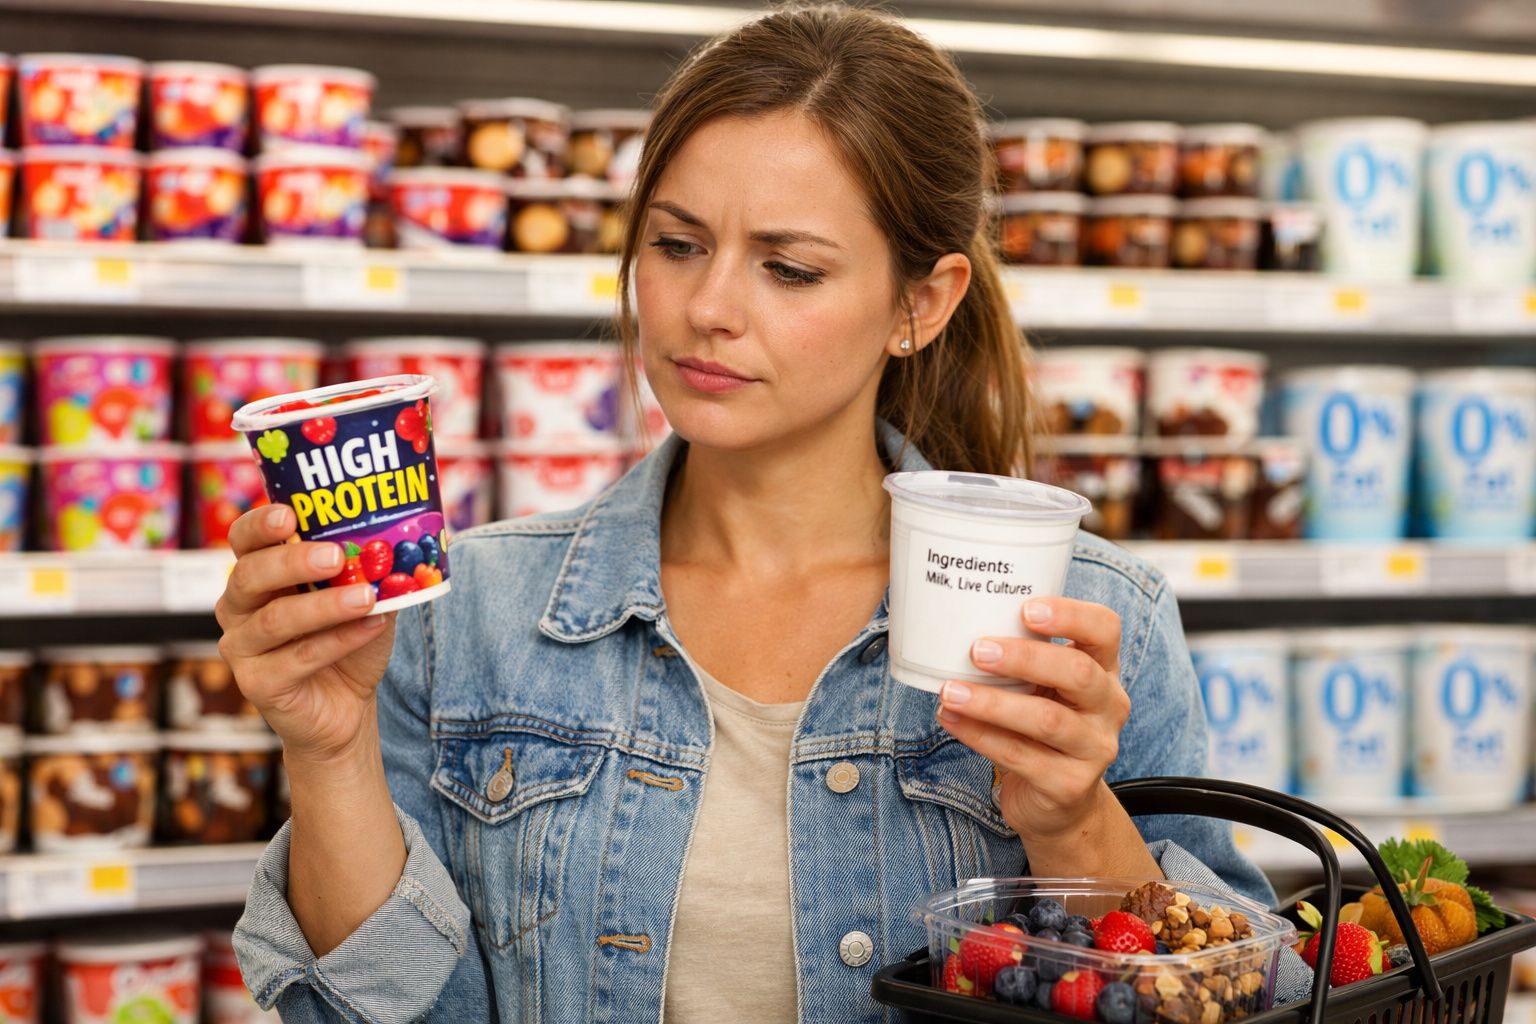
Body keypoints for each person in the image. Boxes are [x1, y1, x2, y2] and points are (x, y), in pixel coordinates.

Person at [222, 5, 1278, 1021]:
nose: (708, 307)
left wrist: (1074, 823)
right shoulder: (470, 613)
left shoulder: (1088, 616)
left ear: (924, 302)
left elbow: (1250, 988)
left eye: (787, 268)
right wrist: (329, 751)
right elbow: (403, 1015)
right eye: (678, 245)